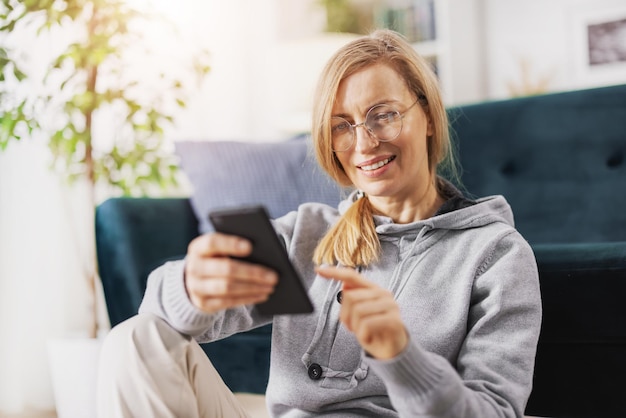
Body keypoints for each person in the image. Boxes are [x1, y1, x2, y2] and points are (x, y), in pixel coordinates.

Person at [97, 29, 541, 417]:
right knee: (134, 339)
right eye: (342, 125)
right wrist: (192, 287)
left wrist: (402, 357)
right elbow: (155, 320)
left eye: (383, 114)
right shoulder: (309, 233)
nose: (364, 142)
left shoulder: (495, 255)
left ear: (427, 115)